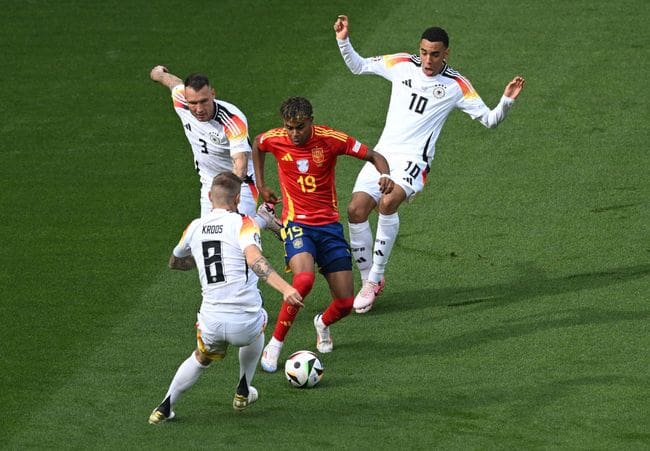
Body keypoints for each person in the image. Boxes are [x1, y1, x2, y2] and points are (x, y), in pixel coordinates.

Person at [333, 15, 526, 313]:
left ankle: (375, 279)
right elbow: (358, 65)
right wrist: (343, 40)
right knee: (355, 210)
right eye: (424, 52)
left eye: (435, 54)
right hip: (384, 154)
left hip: (414, 161)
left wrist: (506, 101)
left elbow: (489, 120)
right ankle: (367, 280)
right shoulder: (401, 64)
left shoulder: (456, 85)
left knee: (388, 203)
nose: (427, 59)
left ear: (446, 53)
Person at [252, 96, 394, 372]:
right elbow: (257, 144)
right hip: (296, 224)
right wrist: (261, 185)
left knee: (344, 303)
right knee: (303, 281)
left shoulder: (330, 139)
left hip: (329, 227)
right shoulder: (276, 138)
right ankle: (275, 344)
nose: (294, 134)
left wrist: (386, 176)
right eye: (289, 128)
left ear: (311, 122)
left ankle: (322, 324)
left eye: (300, 127)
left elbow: (375, 156)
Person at [148, 172, 303, 424]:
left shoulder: (194, 227)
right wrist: (285, 288)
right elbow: (255, 260)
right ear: (238, 198)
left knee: (200, 357)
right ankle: (243, 388)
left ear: (210, 197)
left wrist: (198, 261)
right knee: (260, 320)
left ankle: (164, 406)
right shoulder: (243, 223)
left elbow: (175, 262)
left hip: (211, 321)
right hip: (245, 323)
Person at [149, 65, 282, 236]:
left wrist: (231, 195)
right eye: (193, 103)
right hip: (209, 182)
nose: (199, 109)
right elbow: (172, 82)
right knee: (210, 237)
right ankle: (264, 217)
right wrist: (158, 73)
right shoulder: (181, 101)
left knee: (238, 235)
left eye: (204, 101)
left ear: (213, 94)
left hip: (241, 182)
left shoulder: (232, 119)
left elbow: (240, 162)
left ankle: (263, 218)